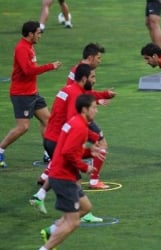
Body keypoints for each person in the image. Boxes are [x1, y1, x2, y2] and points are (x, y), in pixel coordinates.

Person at [30, 64, 111, 222]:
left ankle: (40, 195)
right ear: (84, 78)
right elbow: (74, 121)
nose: (94, 80)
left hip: (51, 138)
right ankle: (83, 212)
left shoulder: (69, 89)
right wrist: (94, 139)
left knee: (57, 170)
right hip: (58, 140)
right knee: (74, 178)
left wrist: (104, 95)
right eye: (93, 77)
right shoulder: (75, 94)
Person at [39, 94, 105, 250]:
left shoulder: (74, 122)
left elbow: (70, 149)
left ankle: (52, 231)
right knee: (73, 222)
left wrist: (89, 152)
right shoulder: (80, 127)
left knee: (86, 207)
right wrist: (85, 167)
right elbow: (68, 153)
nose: (96, 111)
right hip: (63, 177)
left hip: (59, 174)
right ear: (84, 109)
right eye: (94, 108)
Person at [0, 21, 61, 168]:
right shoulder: (22, 48)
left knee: (48, 120)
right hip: (21, 94)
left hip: (32, 93)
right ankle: (0, 149)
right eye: (38, 33)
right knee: (23, 127)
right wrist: (50, 66)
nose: (40, 35)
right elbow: (28, 71)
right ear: (30, 34)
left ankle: (49, 154)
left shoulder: (30, 47)